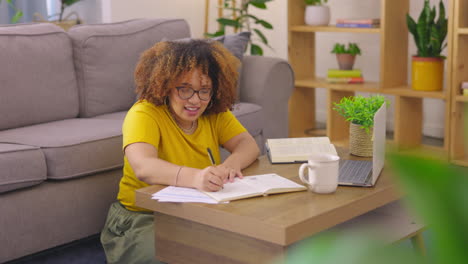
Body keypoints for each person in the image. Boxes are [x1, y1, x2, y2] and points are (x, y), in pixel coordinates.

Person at [100, 39, 260, 264]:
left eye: (204, 91)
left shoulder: (214, 112)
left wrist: (229, 166)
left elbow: (247, 144)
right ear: (165, 85)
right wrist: (196, 177)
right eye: (185, 89)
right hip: (142, 216)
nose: (195, 100)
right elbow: (143, 167)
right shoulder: (144, 113)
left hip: (194, 212)